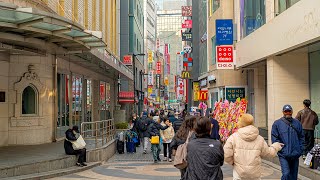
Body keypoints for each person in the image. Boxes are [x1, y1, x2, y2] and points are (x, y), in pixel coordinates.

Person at [224, 114, 283, 180]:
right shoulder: (260, 139)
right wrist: (275, 146)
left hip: (238, 173)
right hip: (255, 173)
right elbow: (268, 153)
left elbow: (226, 155)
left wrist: (233, 163)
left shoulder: (233, 137)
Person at [271, 105, 304, 180]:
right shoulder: (277, 124)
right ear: (283, 112)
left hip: (295, 154)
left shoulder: (297, 123)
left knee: (293, 176)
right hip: (284, 155)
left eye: (289, 111)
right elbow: (275, 138)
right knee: (286, 174)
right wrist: (280, 150)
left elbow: (302, 137)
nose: (288, 113)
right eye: (286, 111)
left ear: (292, 111)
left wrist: (300, 150)